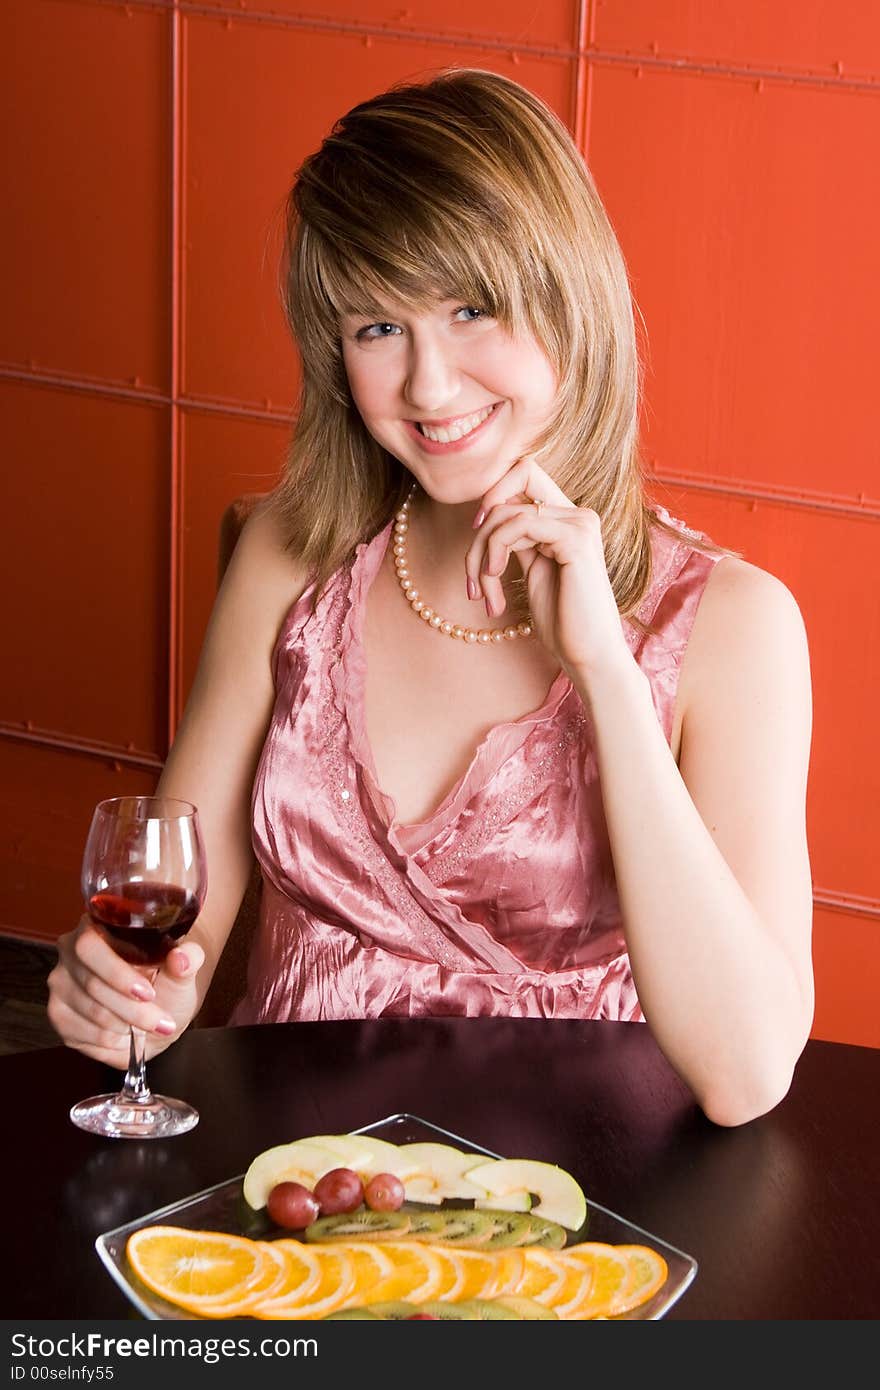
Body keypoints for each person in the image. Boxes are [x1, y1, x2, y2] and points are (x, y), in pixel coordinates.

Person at [47, 68, 814, 1126]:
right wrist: (118, 995)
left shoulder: (734, 626)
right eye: (376, 329)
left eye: (469, 309)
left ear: (568, 298)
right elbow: (178, 943)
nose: (429, 387)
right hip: (287, 1182)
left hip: (566, 1207)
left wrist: (603, 671)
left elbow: (746, 1075)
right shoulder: (289, 550)